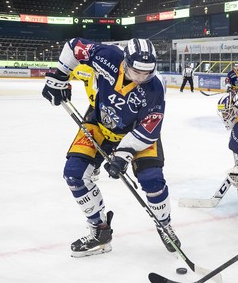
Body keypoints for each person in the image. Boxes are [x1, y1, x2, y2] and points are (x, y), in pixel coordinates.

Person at [41, 37, 181, 257]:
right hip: (98, 123)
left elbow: (149, 129)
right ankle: (100, 232)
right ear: (125, 62)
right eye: (137, 72)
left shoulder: (155, 88)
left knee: (152, 179)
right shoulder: (107, 56)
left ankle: (164, 224)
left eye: (148, 73)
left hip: (136, 135)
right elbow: (73, 45)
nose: (142, 78)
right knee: (74, 174)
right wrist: (59, 76)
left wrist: (123, 155)